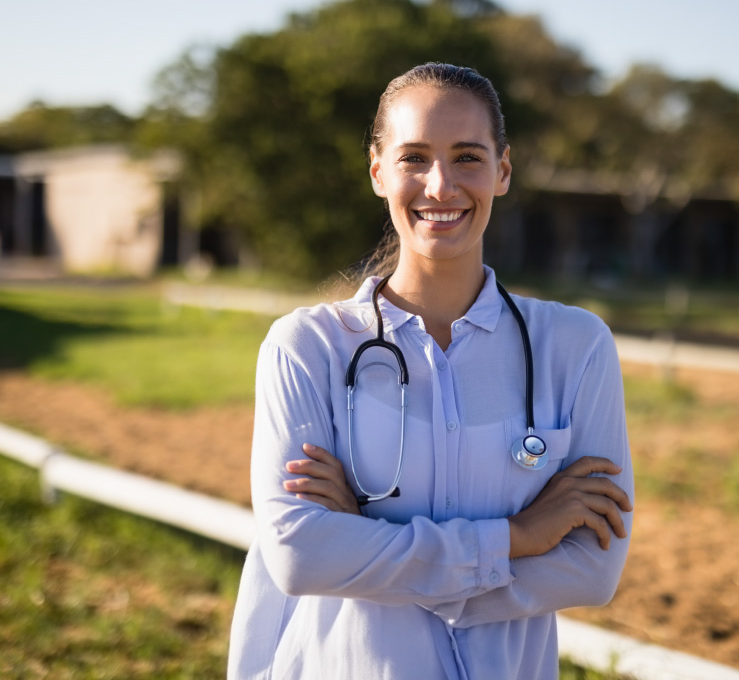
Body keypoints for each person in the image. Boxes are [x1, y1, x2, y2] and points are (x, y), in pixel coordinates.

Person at [228, 62, 633, 680]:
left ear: (502, 171)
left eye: (467, 156)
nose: (440, 185)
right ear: (378, 171)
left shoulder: (575, 347)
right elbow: (299, 555)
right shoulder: (306, 347)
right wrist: (518, 538)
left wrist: (363, 541)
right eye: (414, 157)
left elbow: (593, 569)